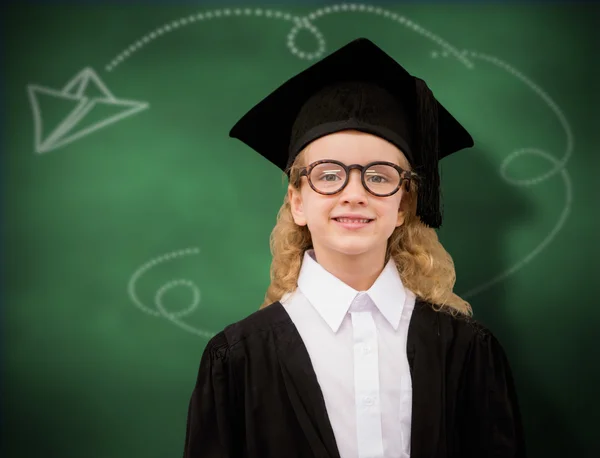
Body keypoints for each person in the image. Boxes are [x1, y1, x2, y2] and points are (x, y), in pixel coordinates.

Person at [182, 37, 526, 458]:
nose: (354, 193)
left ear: (404, 204)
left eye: (379, 177)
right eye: (329, 175)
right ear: (297, 200)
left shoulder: (467, 350)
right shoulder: (236, 360)